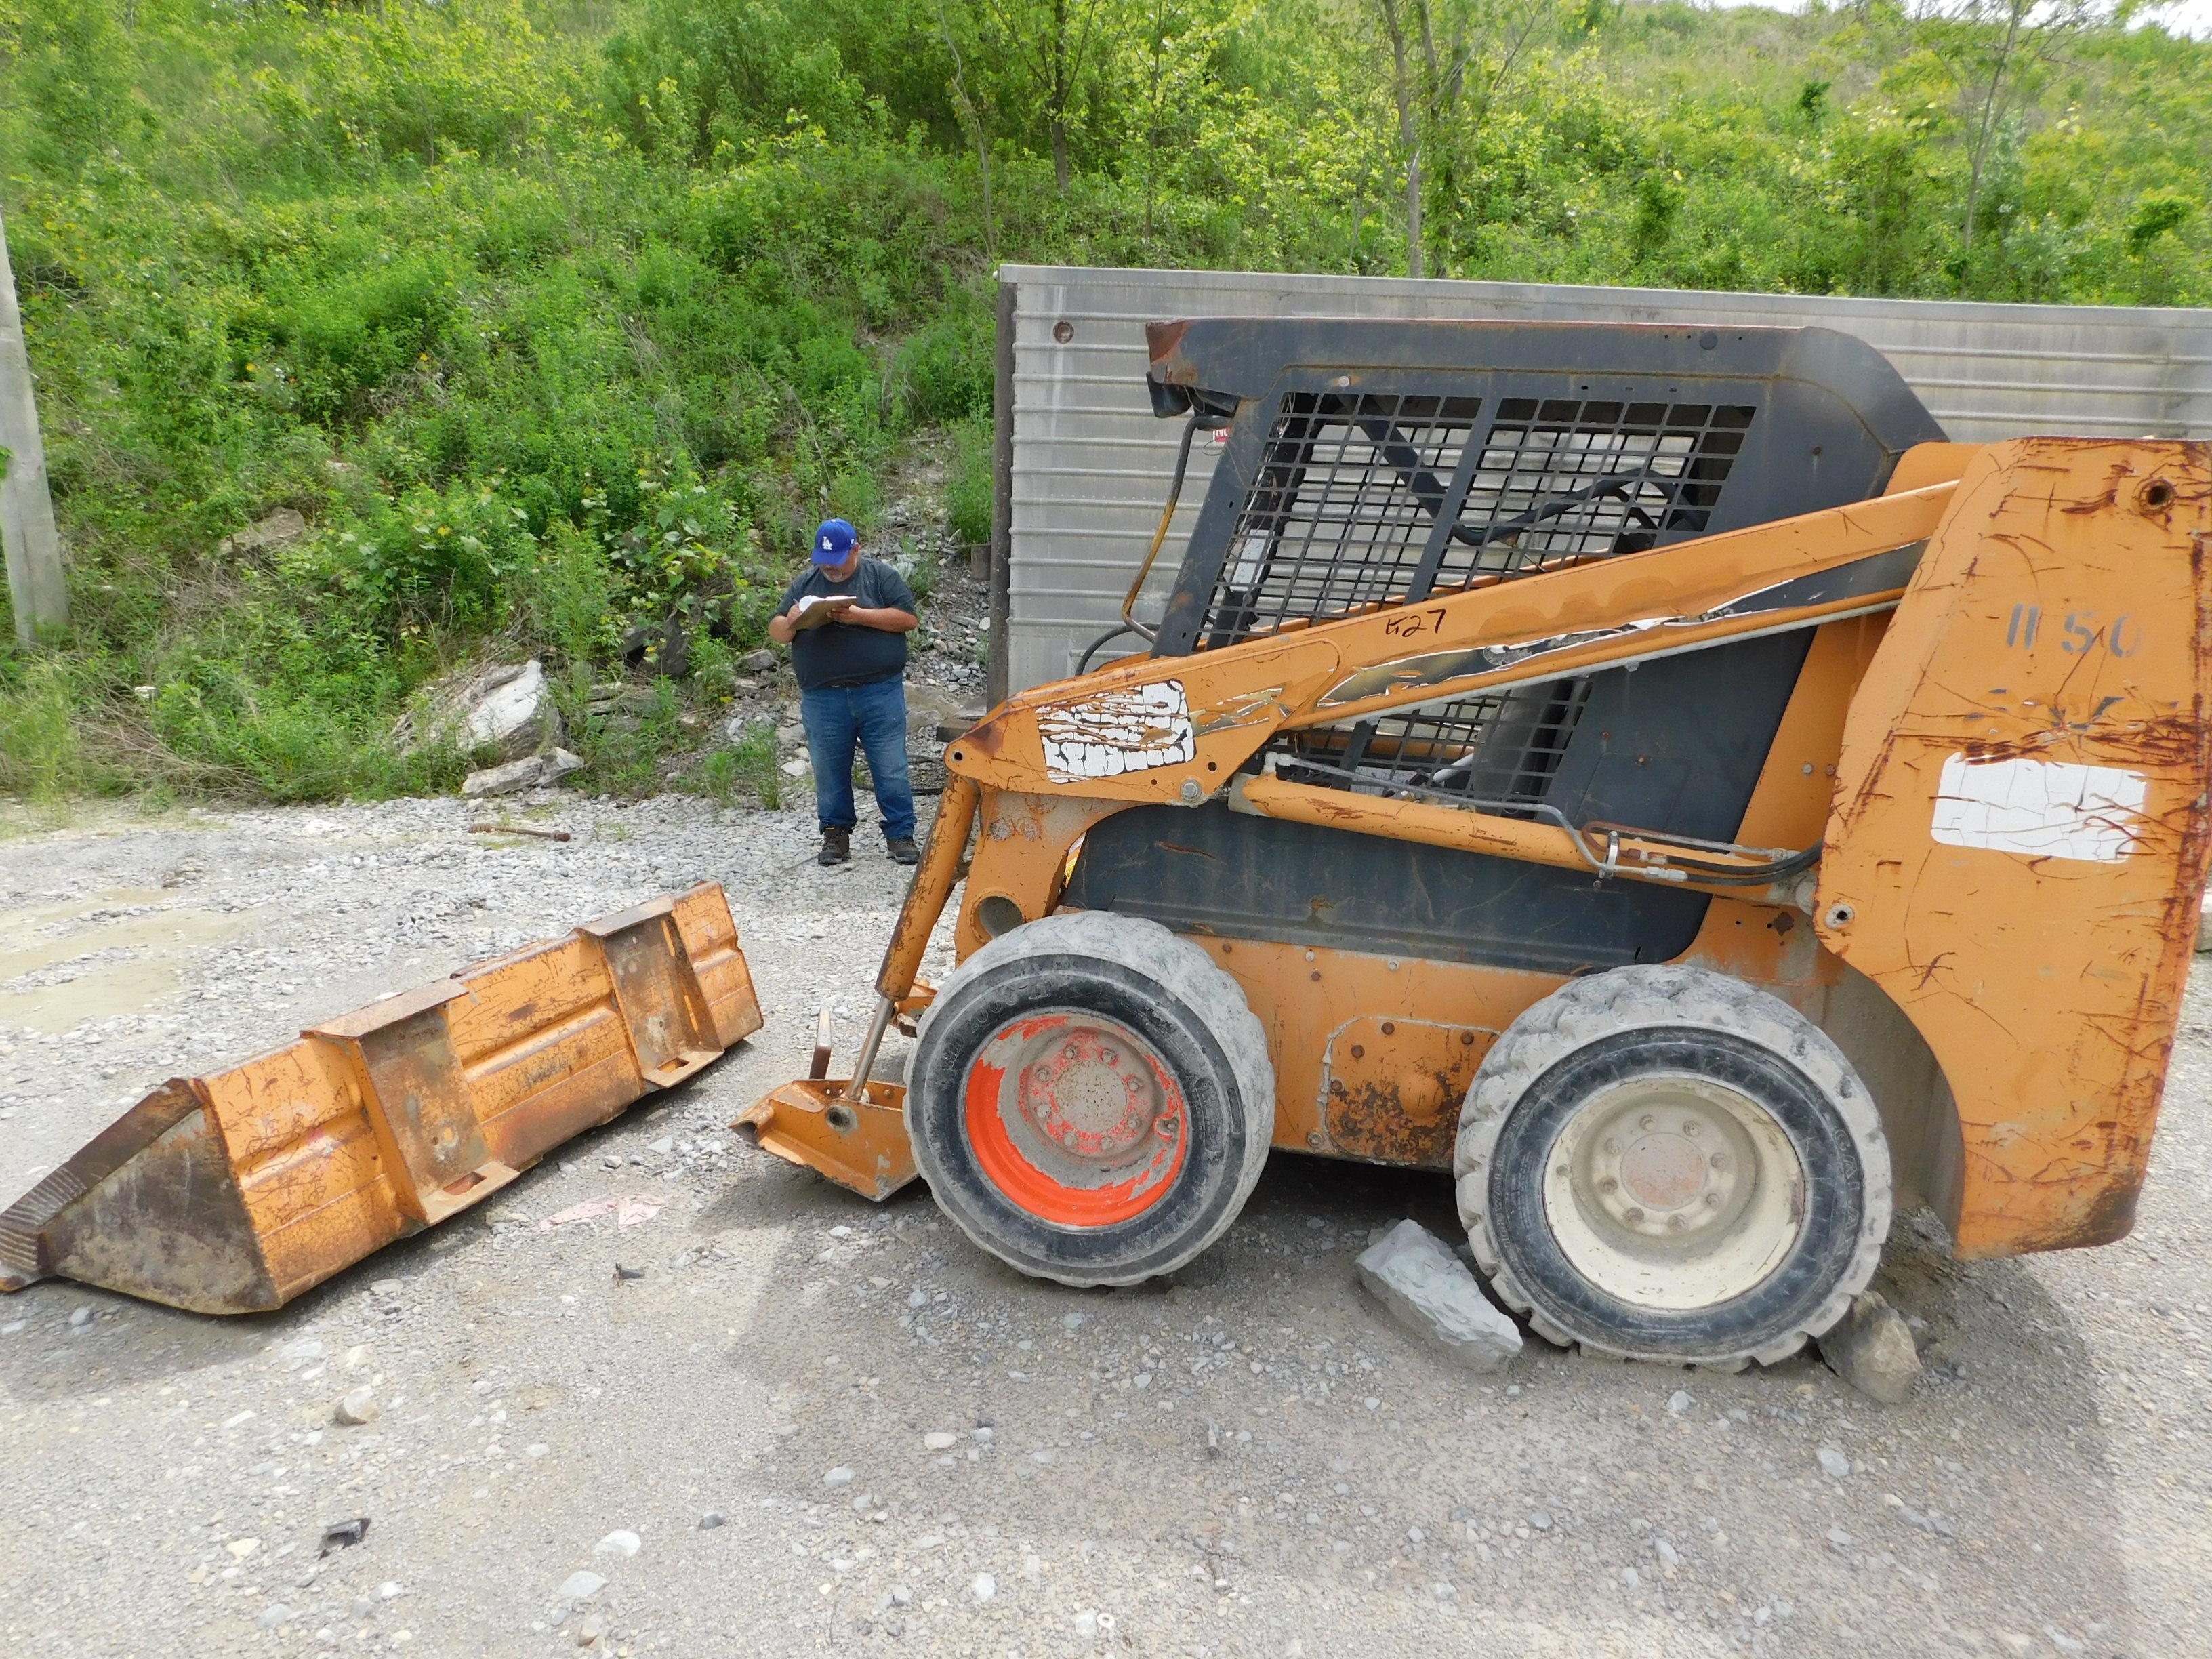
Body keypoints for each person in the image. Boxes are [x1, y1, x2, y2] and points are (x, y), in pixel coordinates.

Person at [767, 518, 922, 867]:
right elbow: (777, 631)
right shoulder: (805, 583)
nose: (830, 568)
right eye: (824, 561)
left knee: (891, 766)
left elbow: (908, 620)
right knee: (828, 769)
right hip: (823, 696)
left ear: (856, 549)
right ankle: (835, 835)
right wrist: (791, 619)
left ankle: (900, 834)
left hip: (878, 691)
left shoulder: (880, 577)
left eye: (837, 560)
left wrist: (858, 617)